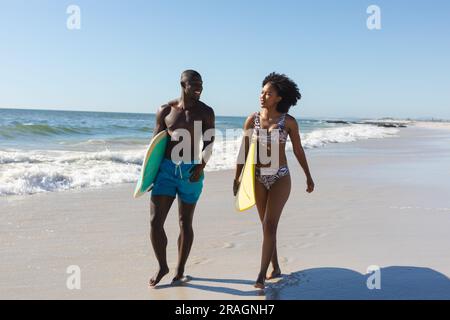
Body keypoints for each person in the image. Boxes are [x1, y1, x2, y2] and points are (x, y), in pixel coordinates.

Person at [233, 72, 314, 289]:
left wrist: (308, 176)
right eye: (261, 92)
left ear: (278, 97)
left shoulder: (288, 122)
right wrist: (237, 176)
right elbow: (244, 149)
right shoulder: (252, 119)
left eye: (268, 93)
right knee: (267, 226)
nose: (263, 96)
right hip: (258, 178)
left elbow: (298, 150)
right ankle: (275, 266)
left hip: (280, 177)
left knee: (270, 224)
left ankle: (260, 275)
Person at [148, 70, 215, 287]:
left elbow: (209, 142)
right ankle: (162, 266)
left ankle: (180, 267)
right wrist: (149, 175)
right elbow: (155, 146)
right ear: (182, 84)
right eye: (194, 83)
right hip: (166, 171)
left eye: (201, 84)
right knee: (155, 222)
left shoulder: (206, 112)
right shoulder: (165, 110)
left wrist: (201, 165)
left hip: (190, 170)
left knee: (185, 222)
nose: (199, 87)